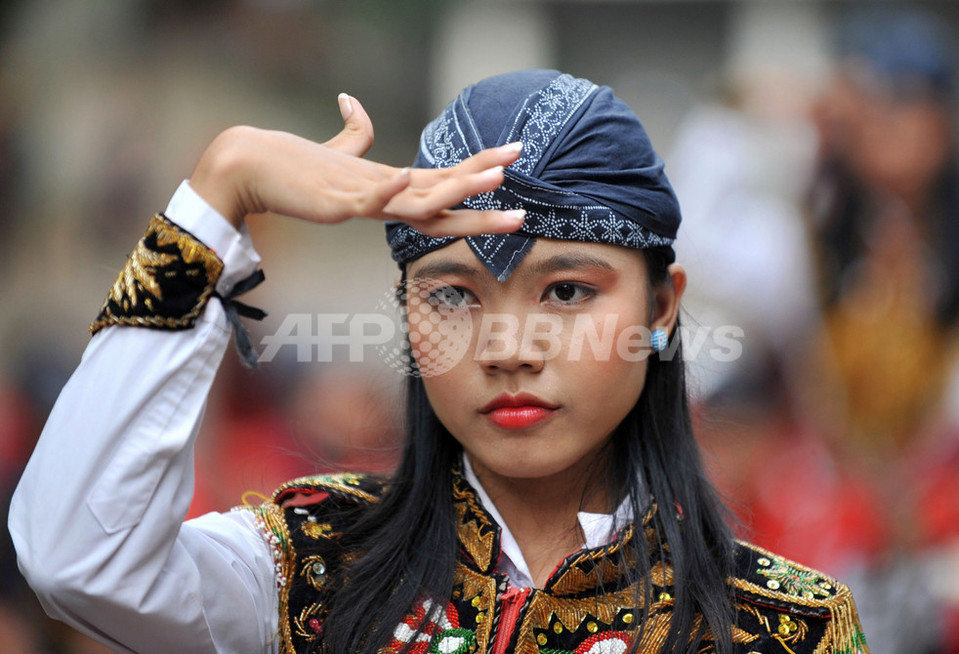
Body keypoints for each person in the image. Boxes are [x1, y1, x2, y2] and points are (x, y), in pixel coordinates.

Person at [9, 70, 868, 654]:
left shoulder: (785, 627)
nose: (506, 348)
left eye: (566, 292)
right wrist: (217, 193)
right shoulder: (314, 573)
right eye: (452, 296)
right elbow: (76, 555)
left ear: (660, 307)